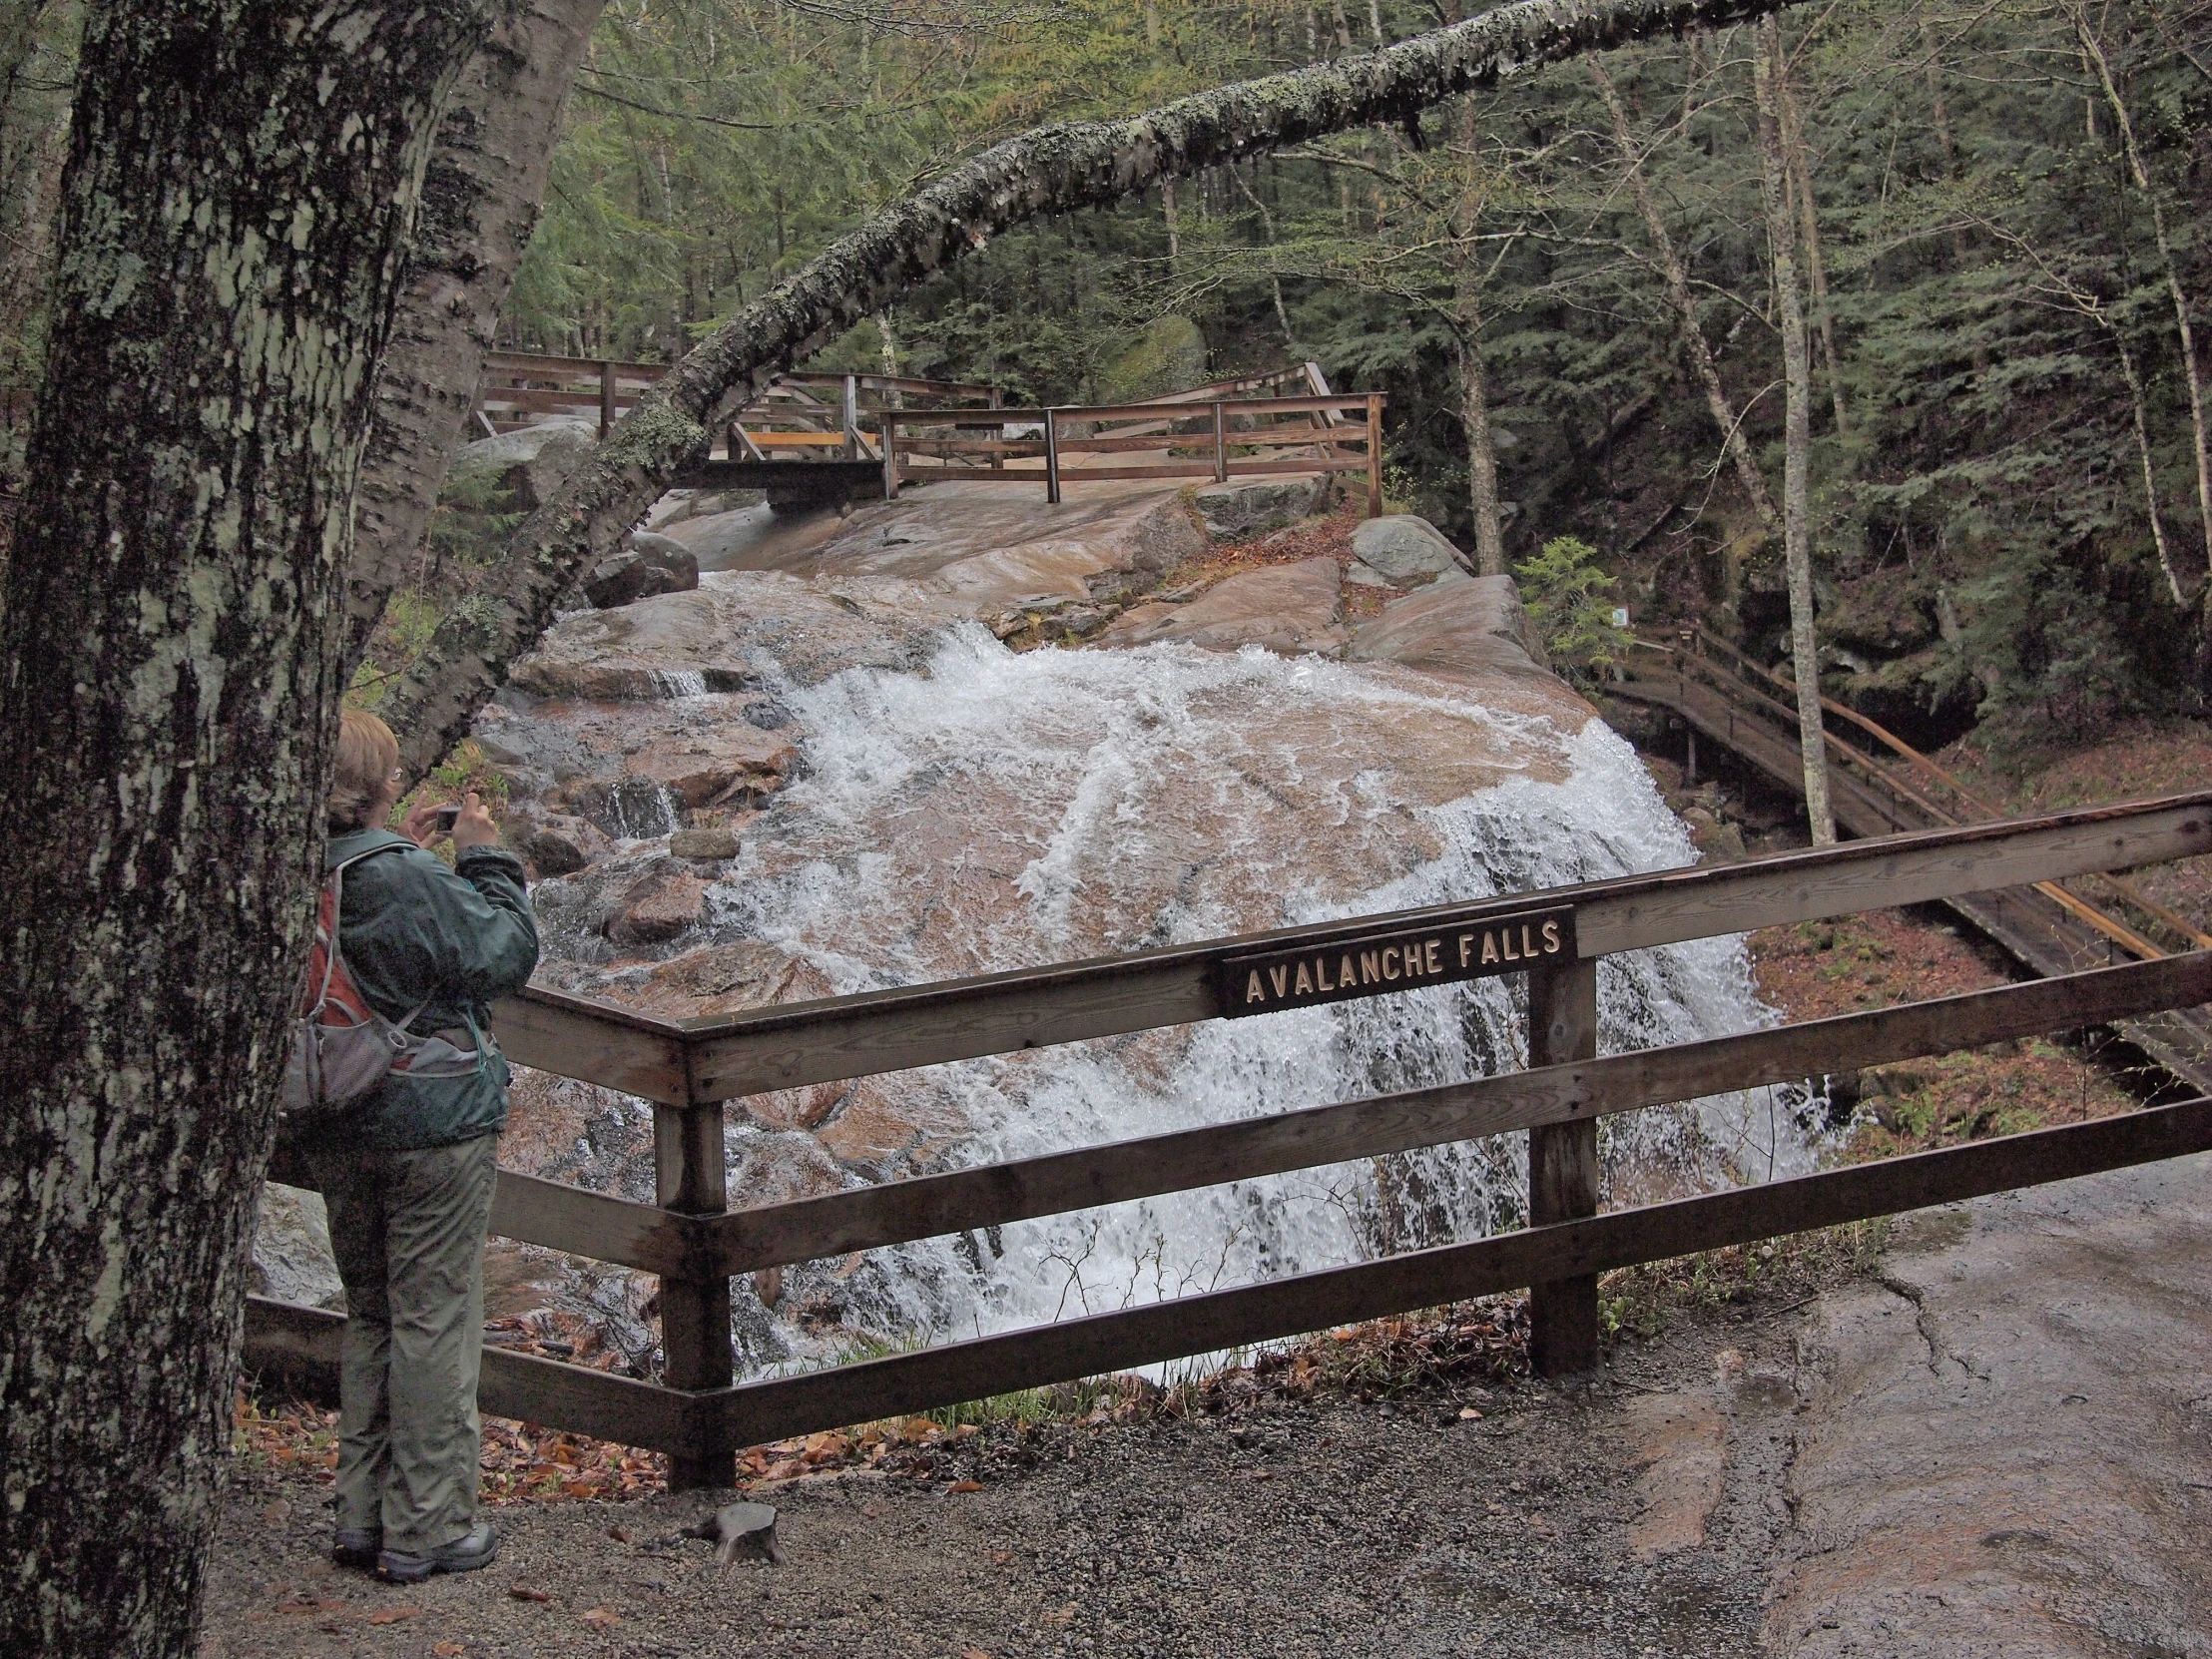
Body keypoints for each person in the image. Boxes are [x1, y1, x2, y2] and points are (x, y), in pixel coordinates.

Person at [292, 709, 539, 1584]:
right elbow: (503, 954)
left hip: (332, 1119)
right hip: (430, 1121)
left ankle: (361, 1517)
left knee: (370, 1315)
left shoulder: (290, 871)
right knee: (434, 1317)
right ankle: (430, 1526)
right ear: (374, 785)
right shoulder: (398, 876)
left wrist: (393, 847)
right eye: (392, 772)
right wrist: (485, 858)